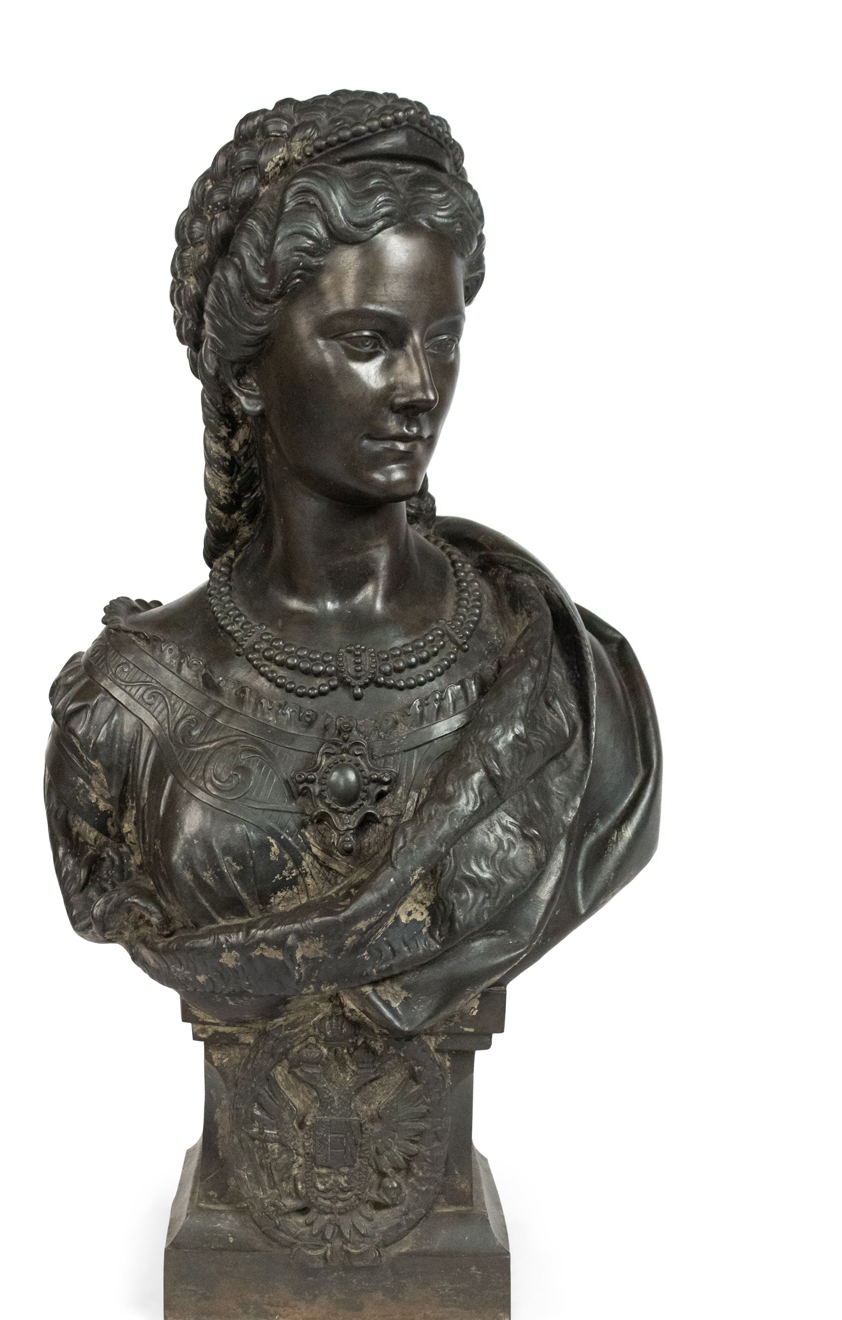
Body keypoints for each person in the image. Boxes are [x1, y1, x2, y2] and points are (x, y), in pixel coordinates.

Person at [45, 90, 661, 1036]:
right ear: (246, 370)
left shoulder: (559, 674)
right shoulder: (126, 708)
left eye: (442, 343)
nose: (419, 389)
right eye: (368, 343)